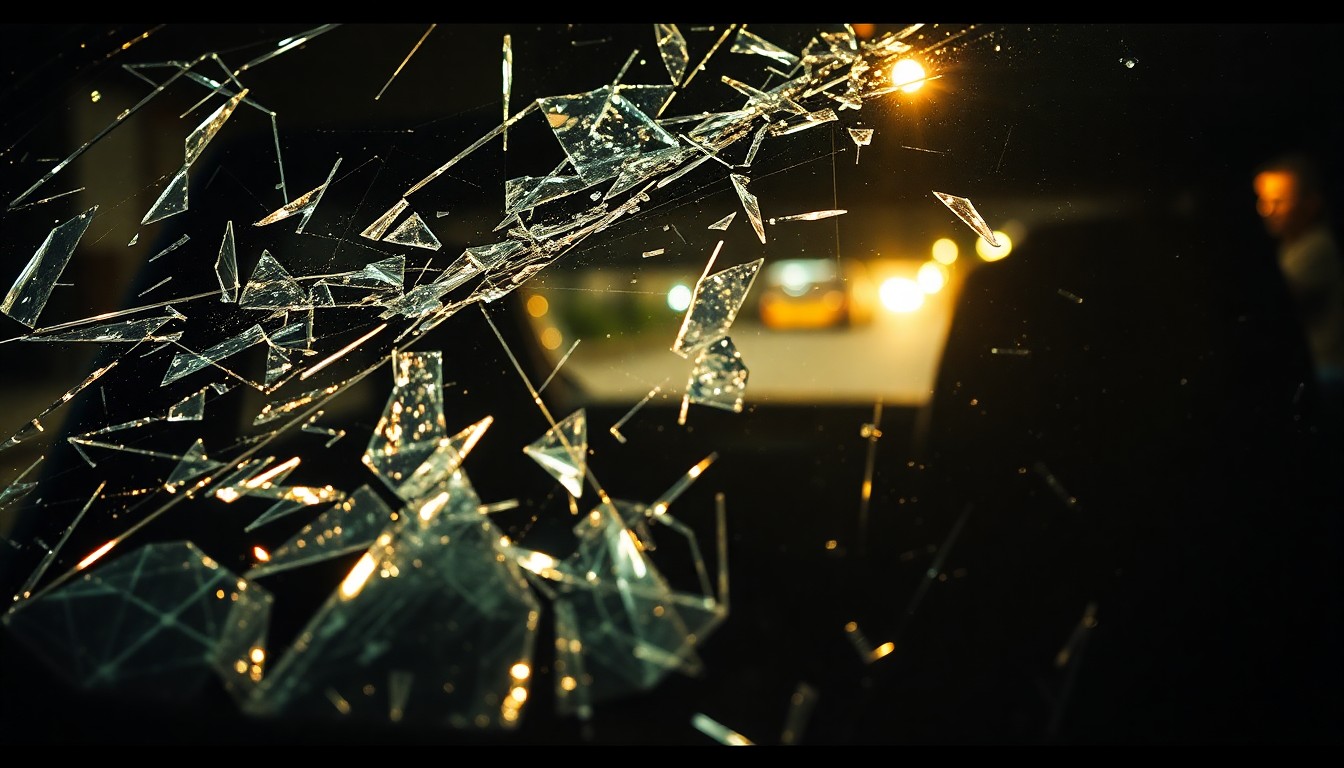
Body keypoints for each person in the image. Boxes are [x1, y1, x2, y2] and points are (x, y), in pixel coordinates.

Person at [1253, 152, 1344, 435]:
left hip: (1330, 373)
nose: (1267, 211)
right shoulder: (1291, 248)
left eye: (1278, 202)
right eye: (1263, 201)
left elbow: (1274, 308)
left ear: (1311, 204)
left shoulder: (1317, 247)